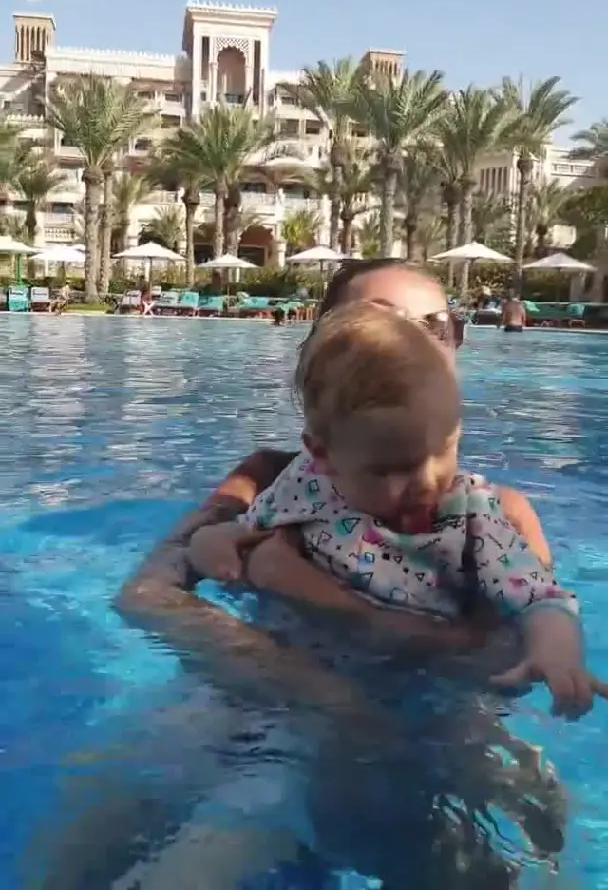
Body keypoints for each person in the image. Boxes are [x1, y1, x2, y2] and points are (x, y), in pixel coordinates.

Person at [119, 259, 551, 626]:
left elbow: (511, 655)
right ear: (322, 351)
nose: (412, 346)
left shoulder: (496, 516)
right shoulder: (266, 481)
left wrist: (308, 591)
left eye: (436, 327)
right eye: (382, 325)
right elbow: (149, 596)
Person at [240, 300, 608, 718]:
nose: (427, 480)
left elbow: (540, 596)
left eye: (444, 450)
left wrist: (557, 653)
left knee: (472, 745)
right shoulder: (307, 484)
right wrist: (215, 546)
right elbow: (245, 535)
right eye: (393, 469)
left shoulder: (471, 514)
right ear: (324, 456)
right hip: (320, 669)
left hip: (438, 678)